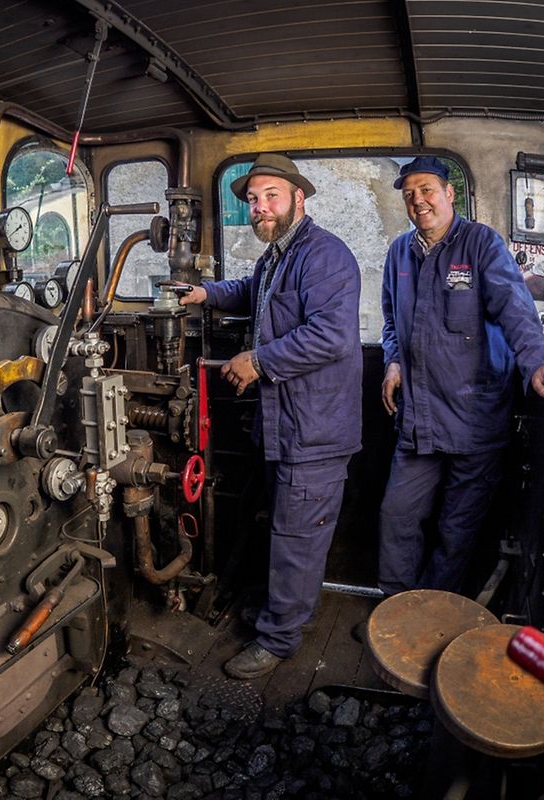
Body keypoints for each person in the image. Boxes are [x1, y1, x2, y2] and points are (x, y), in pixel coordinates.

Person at [180, 154, 362, 679]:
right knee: (282, 527)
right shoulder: (277, 256)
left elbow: (331, 335)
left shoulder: (324, 255)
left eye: (271, 196)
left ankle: (280, 640)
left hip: (315, 428)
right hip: (286, 425)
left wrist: (257, 361)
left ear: (298, 198)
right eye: (254, 200)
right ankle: (279, 612)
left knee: (298, 536)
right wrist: (203, 292)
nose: (260, 207)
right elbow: (250, 292)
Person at [378, 156, 544, 597]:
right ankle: (395, 611)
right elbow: (392, 321)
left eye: (427, 190)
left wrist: (538, 360)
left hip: (474, 417)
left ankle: (432, 616)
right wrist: (392, 361)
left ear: (449, 194)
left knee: (456, 531)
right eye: (409, 194)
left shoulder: (482, 244)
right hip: (418, 418)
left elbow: (515, 309)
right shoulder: (398, 254)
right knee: (396, 516)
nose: (418, 201)